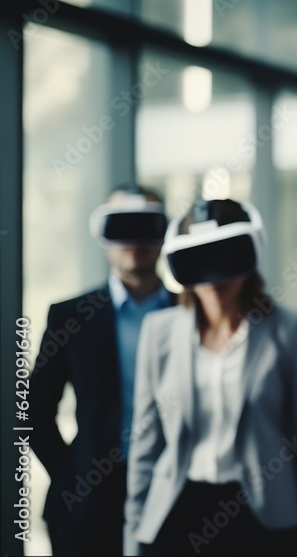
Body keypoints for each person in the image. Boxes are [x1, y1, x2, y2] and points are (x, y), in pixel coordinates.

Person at [123, 198, 297, 556]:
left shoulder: (288, 330)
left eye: (225, 255)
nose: (215, 275)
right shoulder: (159, 332)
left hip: (264, 518)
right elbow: (145, 445)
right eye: (199, 258)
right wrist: (133, 539)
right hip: (178, 510)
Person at [30, 184, 174, 556]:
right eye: (120, 224)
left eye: (144, 225)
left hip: (176, 495)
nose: (132, 239)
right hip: (89, 505)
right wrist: (69, 476)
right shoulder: (70, 316)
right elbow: (32, 410)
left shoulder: (192, 313)